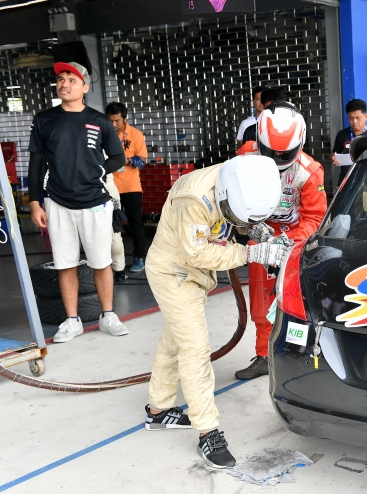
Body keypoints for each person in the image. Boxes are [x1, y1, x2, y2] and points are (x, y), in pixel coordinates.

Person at [144, 155, 290, 468]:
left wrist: (256, 230)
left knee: (175, 341)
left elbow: (235, 215)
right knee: (195, 349)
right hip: (175, 273)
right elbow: (196, 252)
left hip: (192, 272)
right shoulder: (193, 199)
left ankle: (158, 410)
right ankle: (207, 432)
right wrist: (251, 252)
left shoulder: (242, 179)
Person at [27, 62, 128, 343]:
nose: (65, 84)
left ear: (84, 87)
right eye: (61, 79)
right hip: (57, 203)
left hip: (95, 201)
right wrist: (35, 203)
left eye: (72, 79)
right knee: (65, 263)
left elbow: (118, 157)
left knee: (101, 261)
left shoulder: (99, 120)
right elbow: (35, 164)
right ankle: (72, 321)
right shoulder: (44, 119)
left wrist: (98, 169)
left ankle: (108, 315)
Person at [235, 102, 327, 380]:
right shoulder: (244, 155)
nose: (276, 157)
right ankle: (264, 355)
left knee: (298, 300)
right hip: (257, 237)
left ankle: (299, 353)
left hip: (295, 241)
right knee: (262, 303)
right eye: (270, 151)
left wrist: (284, 240)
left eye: (283, 153)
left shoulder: (310, 172)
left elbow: (315, 218)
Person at [106, 102, 148, 273]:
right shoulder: (104, 134)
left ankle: (139, 257)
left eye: (117, 121)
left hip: (131, 186)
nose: (113, 125)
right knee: (109, 224)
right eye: (110, 121)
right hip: (109, 186)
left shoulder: (135, 134)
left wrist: (127, 161)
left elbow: (142, 161)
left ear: (125, 118)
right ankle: (111, 260)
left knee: (135, 222)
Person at [331, 99, 367, 187]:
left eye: (358, 118)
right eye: (350, 118)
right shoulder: (342, 134)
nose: (354, 122)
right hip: (346, 182)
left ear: (366, 116)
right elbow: (334, 152)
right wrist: (333, 158)